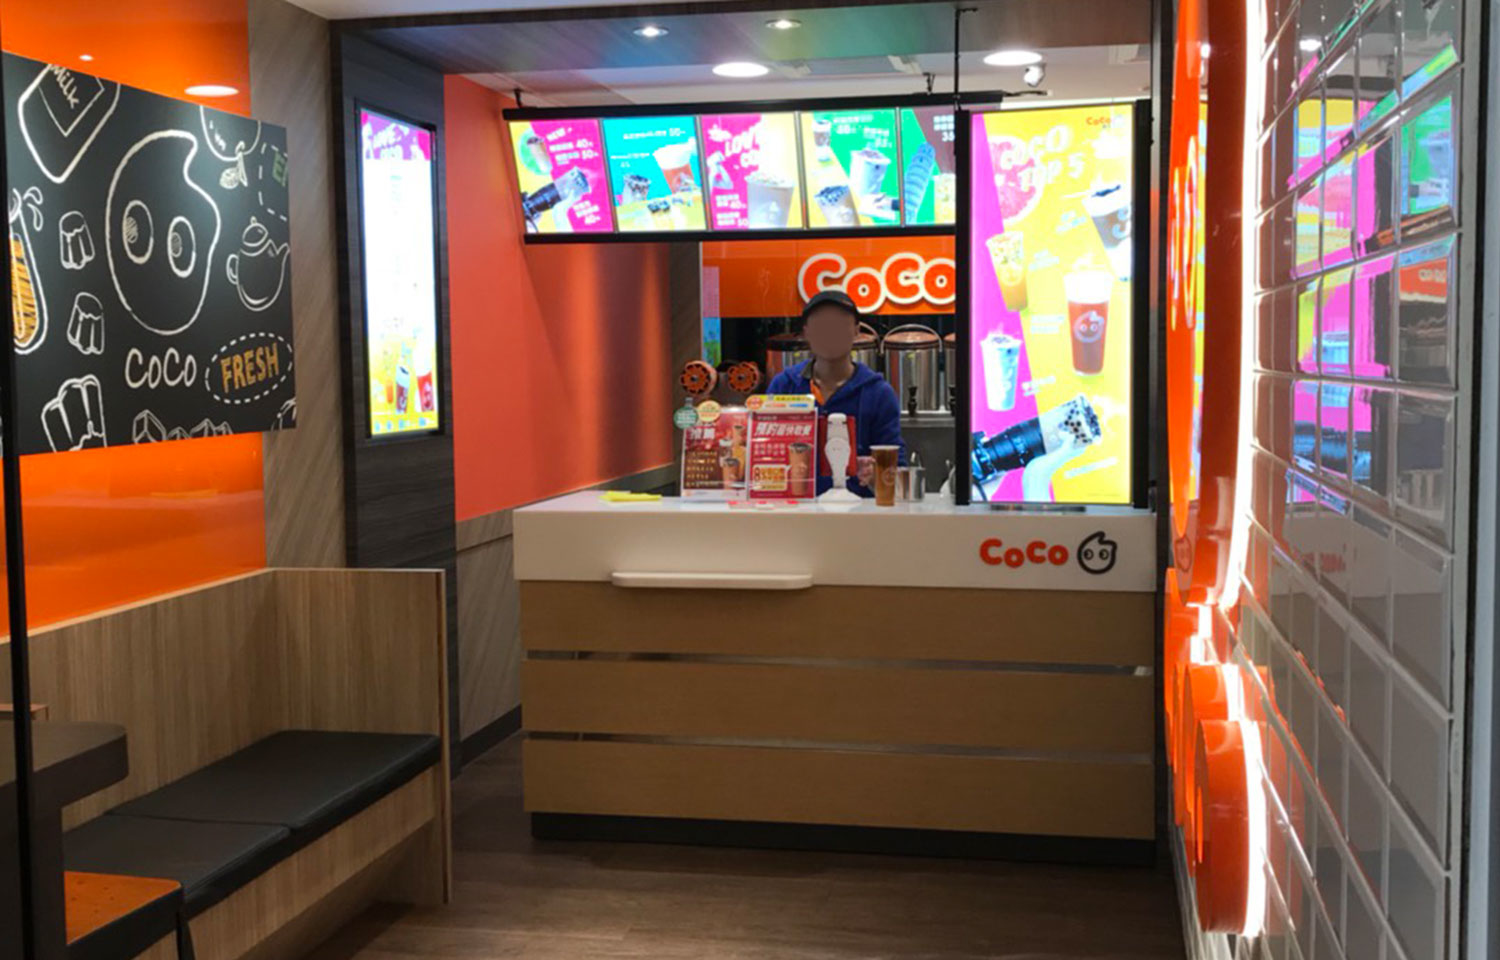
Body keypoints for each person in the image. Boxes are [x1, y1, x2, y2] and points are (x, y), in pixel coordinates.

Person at [765, 290, 904, 496]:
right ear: (807, 332)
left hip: (858, 511)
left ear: (856, 331)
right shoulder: (784, 386)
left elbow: (895, 471)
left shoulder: (879, 393)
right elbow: (764, 452)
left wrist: (875, 474)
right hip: (796, 509)